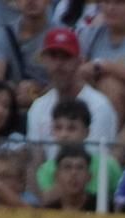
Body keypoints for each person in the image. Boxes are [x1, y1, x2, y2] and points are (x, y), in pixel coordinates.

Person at [26, 27, 118, 156]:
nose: (58, 64)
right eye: (53, 56)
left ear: (79, 61)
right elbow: (35, 161)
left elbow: (97, 162)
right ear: (44, 60)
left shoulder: (99, 106)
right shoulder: (38, 107)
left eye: (66, 57)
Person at [0, 0, 53, 105]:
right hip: (13, 105)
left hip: (48, 106)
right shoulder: (4, 34)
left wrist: (37, 94)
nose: (31, 1)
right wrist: (14, 90)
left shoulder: (59, 35)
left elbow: (65, 79)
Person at [39, 138, 96, 205]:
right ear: (56, 176)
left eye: (80, 167)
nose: (74, 173)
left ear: (89, 176)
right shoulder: (47, 210)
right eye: (67, 167)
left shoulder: (104, 208)